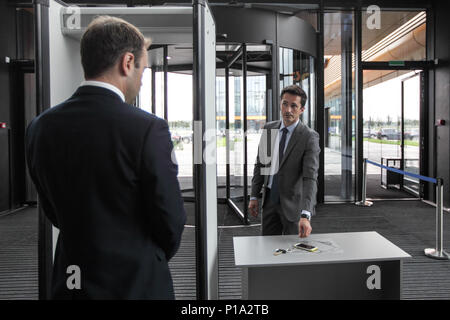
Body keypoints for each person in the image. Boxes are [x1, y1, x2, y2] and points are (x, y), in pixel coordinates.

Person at [25, 16, 186, 299]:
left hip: (72, 280)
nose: (140, 80)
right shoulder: (148, 128)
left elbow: (53, 210)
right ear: (127, 63)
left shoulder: (40, 127)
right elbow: (170, 217)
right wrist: (147, 255)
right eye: (142, 70)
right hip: (135, 283)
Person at [248, 85, 320, 237]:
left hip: (294, 206)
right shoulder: (269, 129)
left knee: (293, 252)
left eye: (294, 106)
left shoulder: (309, 137)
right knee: (266, 249)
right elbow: (261, 165)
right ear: (280, 104)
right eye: (285, 104)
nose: (288, 110)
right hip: (269, 202)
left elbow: (310, 178)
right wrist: (254, 195)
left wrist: (306, 214)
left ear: (302, 109)